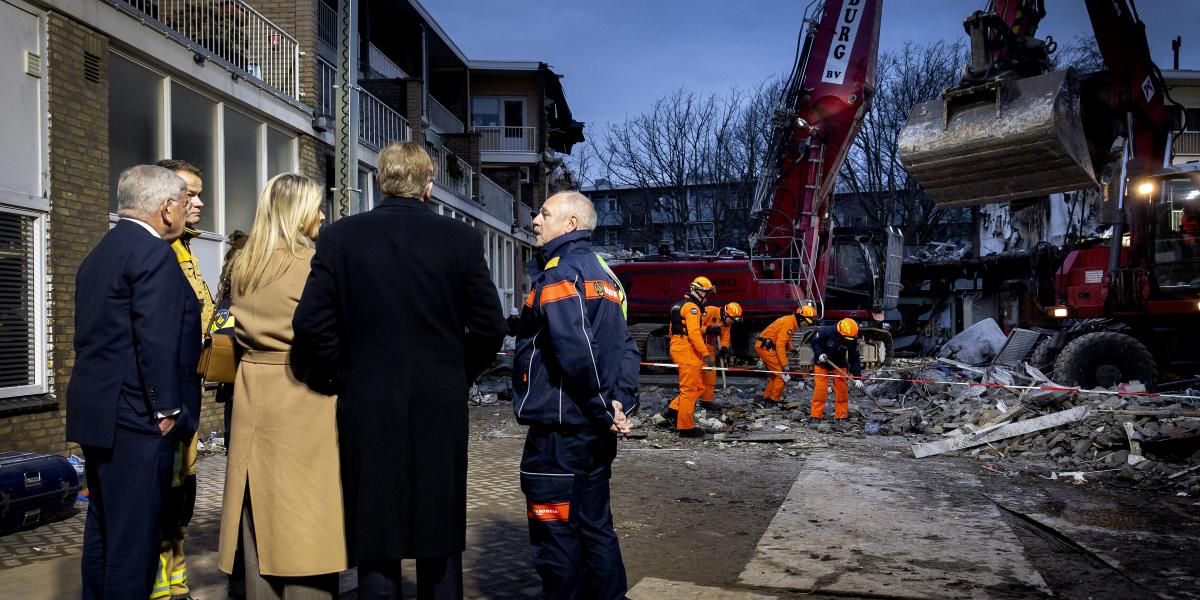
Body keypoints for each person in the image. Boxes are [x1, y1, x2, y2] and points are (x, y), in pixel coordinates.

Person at [293, 142, 506, 599]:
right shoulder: (460, 239)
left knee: (376, 532)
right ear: (429, 186)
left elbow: (311, 324)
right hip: (439, 403)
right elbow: (491, 326)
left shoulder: (340, 238)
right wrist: (459, 371)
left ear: (378, 180)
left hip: (366, 401)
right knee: (439, 531)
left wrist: (340, 373)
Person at [66, 165, 200, 600]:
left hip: (97, 412)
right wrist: (165, 410)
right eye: (183, 203)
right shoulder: (153, 255)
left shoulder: (102, 251)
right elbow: (155, 337)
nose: (186, 212)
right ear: (165, 209)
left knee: (104, 527)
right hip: (136, 419)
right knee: (135, 540)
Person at [216, 174, 345, 599]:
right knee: (306, 525)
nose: (323, 215)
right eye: (316, 207)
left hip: (254, 393)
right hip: (302, 394)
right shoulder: (311, 265)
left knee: (259, 521)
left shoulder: (243, 264)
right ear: (297, 212)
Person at [511, 191, 638, 599]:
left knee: (557, 539)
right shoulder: (608, 276)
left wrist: (605, 407)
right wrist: (621, 404)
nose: (535, 219)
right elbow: (626, 348)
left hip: (560, 436)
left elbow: (576, 350)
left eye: (544, 213)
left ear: (570, 225)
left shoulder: (561, 273)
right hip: (594, 433)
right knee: (596, 528)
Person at [152, 158, 214, 600]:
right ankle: (159, 579)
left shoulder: (185, 247)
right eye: (190, 194)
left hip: (189, 390)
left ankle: (177, 573)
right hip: (170, 398)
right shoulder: (160, 251)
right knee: (166, 489)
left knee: (184, 488)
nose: (199, 203)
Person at [212, 229, 249, 600]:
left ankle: (239, 577)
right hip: (244, 394)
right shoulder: (238, 293)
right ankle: (240, 577)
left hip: (237, 395)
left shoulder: (226, 293)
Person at [665, 277, 716, 436]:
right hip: (686, 349)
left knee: (699, 386)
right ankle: (685, 427)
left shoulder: (680, 305)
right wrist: (706, 354)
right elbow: (693, 333)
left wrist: (708, 330)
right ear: (698, 291)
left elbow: (684, 329)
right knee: (689, 389)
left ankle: (674, 410)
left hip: (680, 347)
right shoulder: (693, 308)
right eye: (706, 293)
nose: (707, 297)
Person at [755, 305, 817, 404]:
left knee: (775, 376)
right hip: (767, 348)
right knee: (782, 375)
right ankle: (772, 400)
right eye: (807, 322)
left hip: (765, 346)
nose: (807, 325)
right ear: (801, 318)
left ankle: (766, 398)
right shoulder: (789, 324)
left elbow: (783, 340)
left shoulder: (791, 322)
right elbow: (780, 344)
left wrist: (791, 349)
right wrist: (785, 365)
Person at [809, 318, 864, 423]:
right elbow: (814, 342)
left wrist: (857, 377)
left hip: (839, 364)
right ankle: (815, 416)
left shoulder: (852, 337)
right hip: (822, 363)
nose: (848, 340)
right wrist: (820, 353)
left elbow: (854, 357)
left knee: (842, 390)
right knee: (820, 390)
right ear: (840, 331)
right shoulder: (826, 331)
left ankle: (841, 416)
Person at [699, 301, 743, 410]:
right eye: (732, 320)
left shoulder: (727, 323)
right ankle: (687, 401)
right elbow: (694, 327)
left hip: (708, 347)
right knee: (694, 376)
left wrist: (724, 348)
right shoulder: (709, 311)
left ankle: (706, 401)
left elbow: (725, 338)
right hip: (695, 346)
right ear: (725, 314)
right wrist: (708, 329)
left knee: (710, 375)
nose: (732, 322)